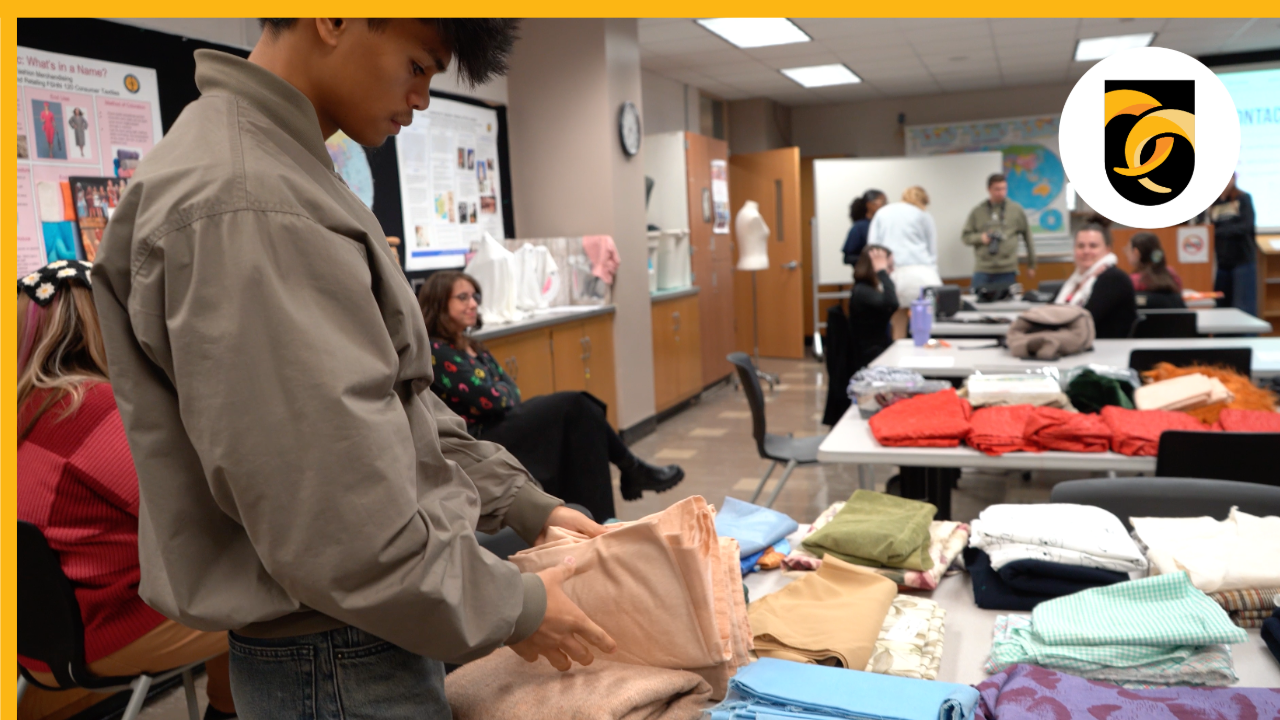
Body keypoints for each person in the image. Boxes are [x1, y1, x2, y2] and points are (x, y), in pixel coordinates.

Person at [91, 19, 617, 720]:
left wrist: (523, 503)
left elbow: (399, 404)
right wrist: (515, 606)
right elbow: (334, 519)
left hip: (360, 632)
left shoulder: (282, 172)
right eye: (418, 66)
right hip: (336, 653)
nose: (422, 99)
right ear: (334, 17)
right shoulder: (250, 201)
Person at [16, 261, 237, 720]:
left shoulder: (24, 410)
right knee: (272, 601)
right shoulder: (91, 409)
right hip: (107, 635)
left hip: (29, 644)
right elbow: (198, 514)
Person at [418, 271, 684, 522]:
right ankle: (629, 473)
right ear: (439, 304)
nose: (473, 304)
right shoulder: (436, 351)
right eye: (463, 297)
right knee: (574, 405)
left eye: (475, 296)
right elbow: (495, 399)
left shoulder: (472, 345)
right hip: (478, 437)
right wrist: (501, 392)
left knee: (580, 420)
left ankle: (602, 510)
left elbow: (512, 392)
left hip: (503, 421)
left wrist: (501, 392)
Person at [867, 186, 940, 338]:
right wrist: (934, 274)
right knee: (925, 325)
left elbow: (873, 245)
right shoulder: (923, 214)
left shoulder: (883, 212)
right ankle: (923, 350)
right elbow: (932, 250)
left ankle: (898, 350)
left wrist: (880, 274)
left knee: (897, 322)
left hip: (894, 274)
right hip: (923, 274)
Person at [1054, 223, 1137, 339]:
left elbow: (1086, 320)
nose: (1086, 251)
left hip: (1106, 348)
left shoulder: (1113, 279)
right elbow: (1048, 312)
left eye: (1093, 246)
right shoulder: (1074, 282)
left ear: (1107, 250)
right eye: (1080, 246)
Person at [961, 173, 1035, 288]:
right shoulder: (978, 211)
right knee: (976, 298)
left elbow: (1028, 237)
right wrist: (980, 238)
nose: (1001, 192)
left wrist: (1031, 265)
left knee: (1008, 299)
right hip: (983, 268)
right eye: (997, 189)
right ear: (989, 189)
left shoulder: (1015, 210)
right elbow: (965, 237)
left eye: (1004, 188)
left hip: (1007, 269)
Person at [1201, 173, 1258, 316]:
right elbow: (1206, 228)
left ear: (1234, 179)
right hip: (1221, 263)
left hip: (1242, 261)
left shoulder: (1243, 198)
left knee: (1243, 306)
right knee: (1221, 306)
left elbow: (1245, 226)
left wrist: (1219, 231)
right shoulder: (1213, 204)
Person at [848, 246, 898, 370]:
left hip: (876, 352)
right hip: (871, 358)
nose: (892, 270)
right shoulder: (863, 291)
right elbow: (892, 304)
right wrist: (882, 272)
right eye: (888, 266)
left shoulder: (867, 289)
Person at [1126, 232, 1185, 309]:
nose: (1126, 253)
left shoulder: (1132, 281)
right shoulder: (1172, 276)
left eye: (1128, 249)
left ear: (1136, 252)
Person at [841, 189, 886, 268]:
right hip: (867, 273)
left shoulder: (885, 225)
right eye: (882, 203)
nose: (885, 206)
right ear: (869, 204)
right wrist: (871, 259)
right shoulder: (859, 227)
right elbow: (848, 258)